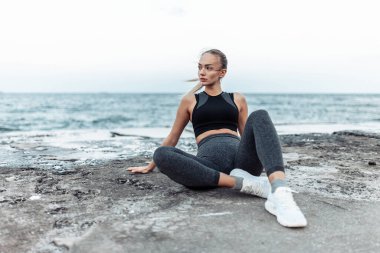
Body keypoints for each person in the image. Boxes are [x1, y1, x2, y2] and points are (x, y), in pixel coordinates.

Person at [127, 49, 307, 228]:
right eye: (200, 67)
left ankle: (279, 190)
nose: (202, 72)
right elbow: (173, 137)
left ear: (222, 73)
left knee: (260, 115)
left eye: (208, 68)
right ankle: (246, 185)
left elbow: (248, 137)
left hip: (242, 164)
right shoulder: (190, 101)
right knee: (162, 154)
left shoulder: (237, 99)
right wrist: (150, 166)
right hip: (210, 166)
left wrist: (264, 159)